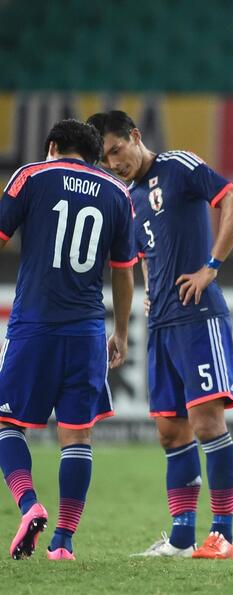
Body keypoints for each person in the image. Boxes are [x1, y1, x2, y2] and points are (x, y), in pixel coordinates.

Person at [89, 110, 233, 560]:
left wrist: (211, 268)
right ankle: (182, 539)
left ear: (135, 137)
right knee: (170, 431)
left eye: (117, 151)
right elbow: (143, 251)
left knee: (206, 423)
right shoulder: (129, 195)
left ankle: (223, 535)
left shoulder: (178, 165)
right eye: (105, 159)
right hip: (160, 323)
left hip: (199, 318)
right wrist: (148, 290)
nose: (113, 163)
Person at [0, 119, 135, 560]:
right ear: (95, 155)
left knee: (6, 424)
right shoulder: (118, 193)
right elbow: (124, 271)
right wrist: (120, 331)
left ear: (53, 145)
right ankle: (64, 542)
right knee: (77, 438)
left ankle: (28, 503)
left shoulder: (33, 175)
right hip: (86, 331)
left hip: (35, 325)